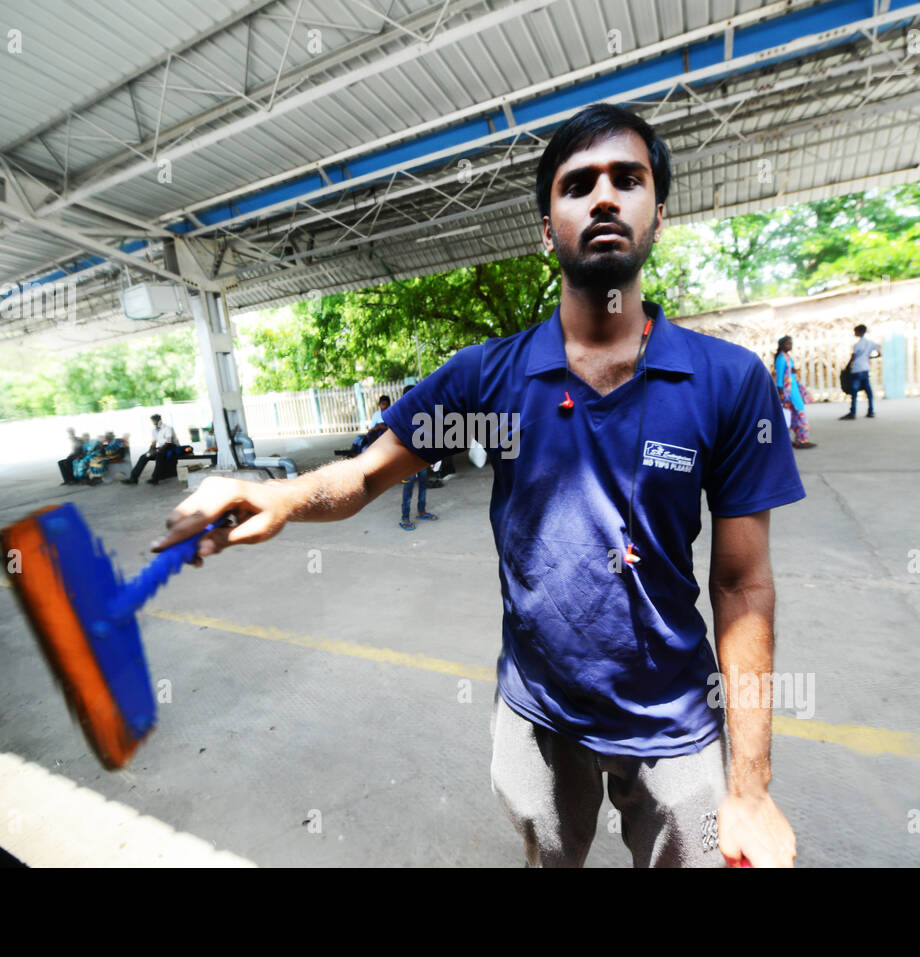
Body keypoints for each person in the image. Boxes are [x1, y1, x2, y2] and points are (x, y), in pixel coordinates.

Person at [153, 103, 804, 868]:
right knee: (549, 859)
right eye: (577, 183)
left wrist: (751, 786)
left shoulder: (726, 382)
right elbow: (364, 475)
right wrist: (280, 497)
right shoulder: (486, 379)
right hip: (535, 714)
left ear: (657, 215)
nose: (603, 198)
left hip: (677, 727)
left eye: (627, 180)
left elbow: (741, 582)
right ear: (545, 225)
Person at [394, 385, 437, 530]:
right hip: (407, 458)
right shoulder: (401, 413)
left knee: (423, 485)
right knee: (409, 487)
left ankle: (421, 511)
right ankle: (404, 518)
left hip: (422, 456)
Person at [774, 336, 815, 449]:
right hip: (789, 393)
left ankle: (797, 440)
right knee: (797, 416)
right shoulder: (781, 358)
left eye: (791, 343)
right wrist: (781, 395)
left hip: (794, 390)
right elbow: (779, 379)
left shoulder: (787, 357)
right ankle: (800, 440)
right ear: (781, 345)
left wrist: (792, 371)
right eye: (787, 343)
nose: (790, 345)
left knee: (794, 417)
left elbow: (788, 373)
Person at [123, 414, 178, 485]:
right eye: (153, 421)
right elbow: (153, 442)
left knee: (159, 456)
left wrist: (157, 451)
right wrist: (151, 450)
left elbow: (168, 442)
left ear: (160, 420)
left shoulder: (167, 428)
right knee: (144, 456)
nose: (154, 422)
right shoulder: (154, 430)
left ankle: (155, 478)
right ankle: (133, 478)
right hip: (161, 448)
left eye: (156, 420)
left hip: (171, 447)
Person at [840, 324, 880, 419]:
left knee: (854, 391)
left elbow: (853, 357)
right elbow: (879, 352)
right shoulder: (870, 343)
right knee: (868, 390)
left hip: (857, 369)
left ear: (859, 332)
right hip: (865, 368)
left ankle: (853, 412)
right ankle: (871, 410)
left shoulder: (857, 345)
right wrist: (870, 357)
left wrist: (848, 367)